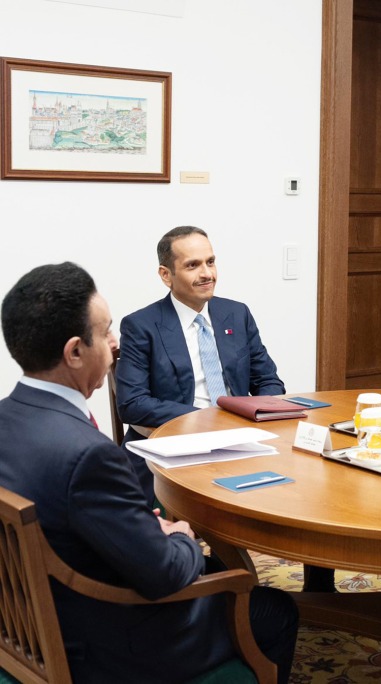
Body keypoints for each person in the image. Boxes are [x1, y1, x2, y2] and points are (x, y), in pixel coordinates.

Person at [0, 262, 297, 683]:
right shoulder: (88, 456)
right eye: (105, 333)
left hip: (26, 619)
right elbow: (166, 575)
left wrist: (137, 528)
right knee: (273, 608)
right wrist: (181, 537)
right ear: (75, 352)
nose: (114, 342)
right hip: (107, 644)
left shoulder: (7, 417)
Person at [115, 226, 284, 499]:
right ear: (166, 275)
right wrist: (206, 420)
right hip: (172, 450)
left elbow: (269, 381)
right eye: (193, 265)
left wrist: (258, 417)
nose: (207, 274)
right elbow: (132, 404)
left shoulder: (236, 314)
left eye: (211, 262)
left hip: (240, 444)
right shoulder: (141, 325)